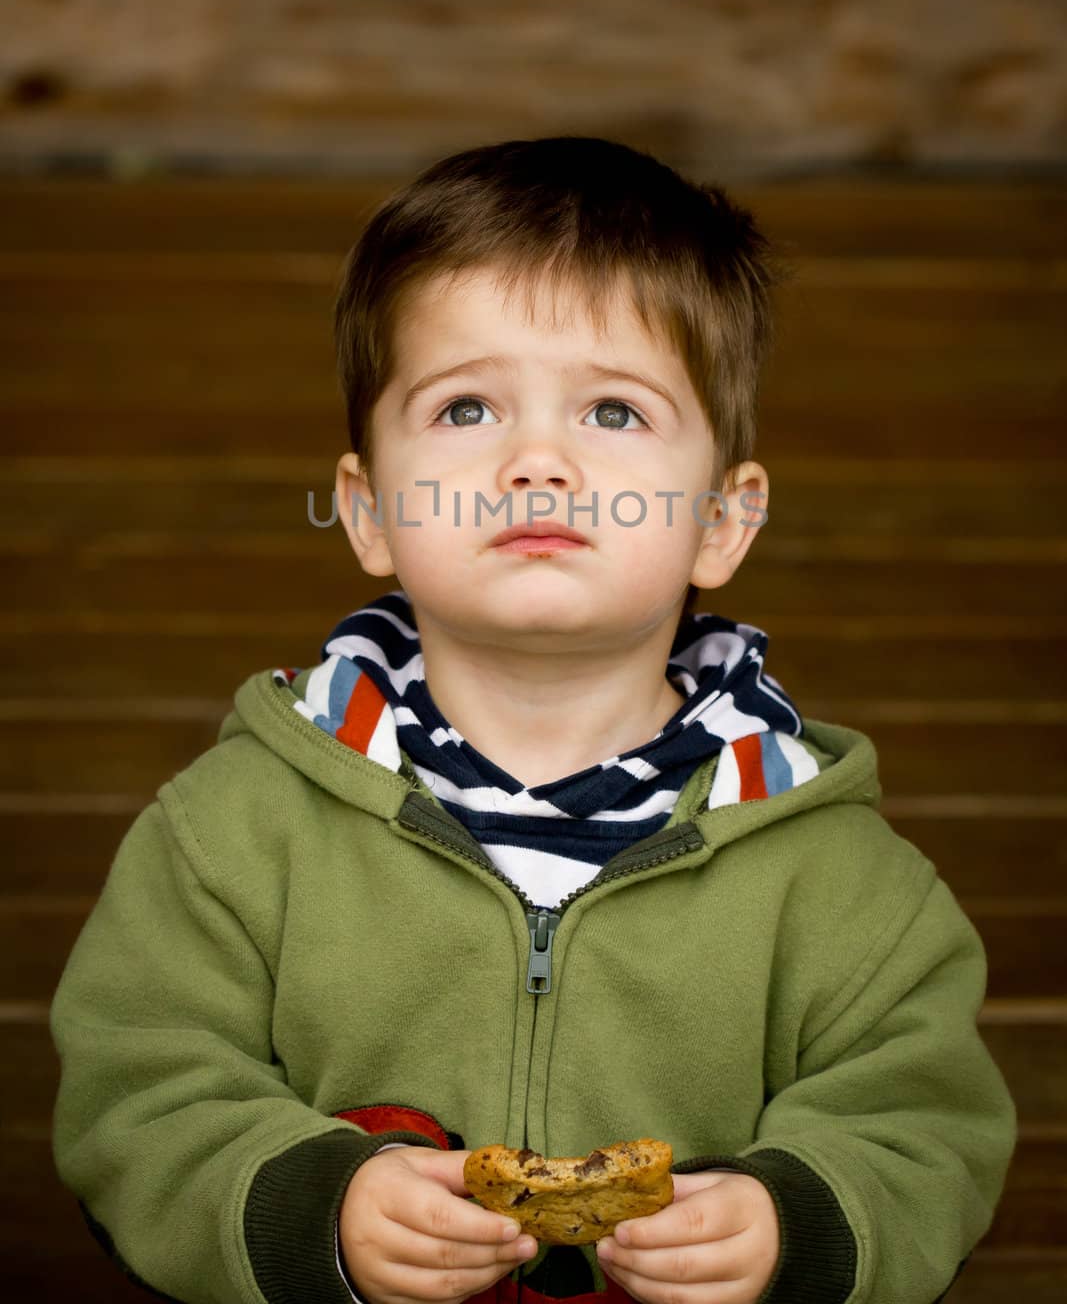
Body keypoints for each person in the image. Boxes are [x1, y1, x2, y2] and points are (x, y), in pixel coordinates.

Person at [50, 136, 1017, 1304]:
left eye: (613, 410)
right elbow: (138, 1096)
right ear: (368, 510)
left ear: (721, 517)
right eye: (465, 407)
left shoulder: (838, 874)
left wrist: (787, 1225)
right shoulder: (234, 832)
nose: (539, 462)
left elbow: (922, 1125)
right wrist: (322, 1207)